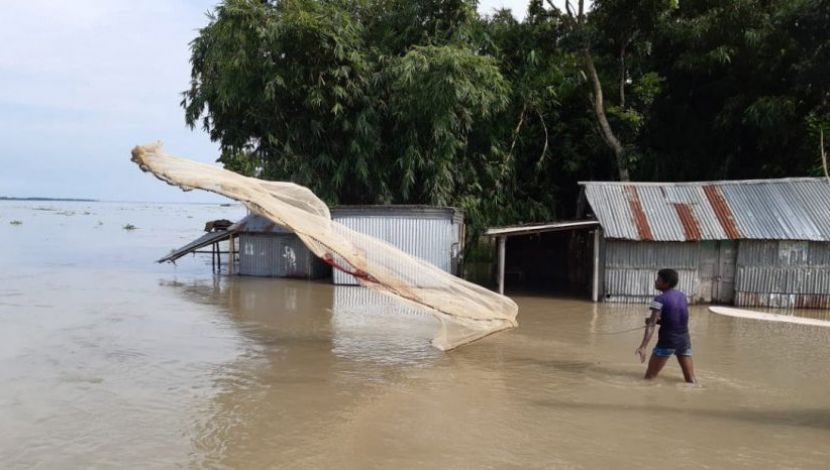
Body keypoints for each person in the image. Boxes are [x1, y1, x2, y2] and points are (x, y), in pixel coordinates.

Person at [635, 269, 696, 383]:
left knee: (649, 379)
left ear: (666, 283)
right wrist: (658, 321)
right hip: (684, 341)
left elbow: (651, 325)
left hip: (667, 341)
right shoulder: (682, 296)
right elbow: (678, 319)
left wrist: (643, 346)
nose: (655, 281)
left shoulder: (659, 299)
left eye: (658, 279)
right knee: (691, 380)